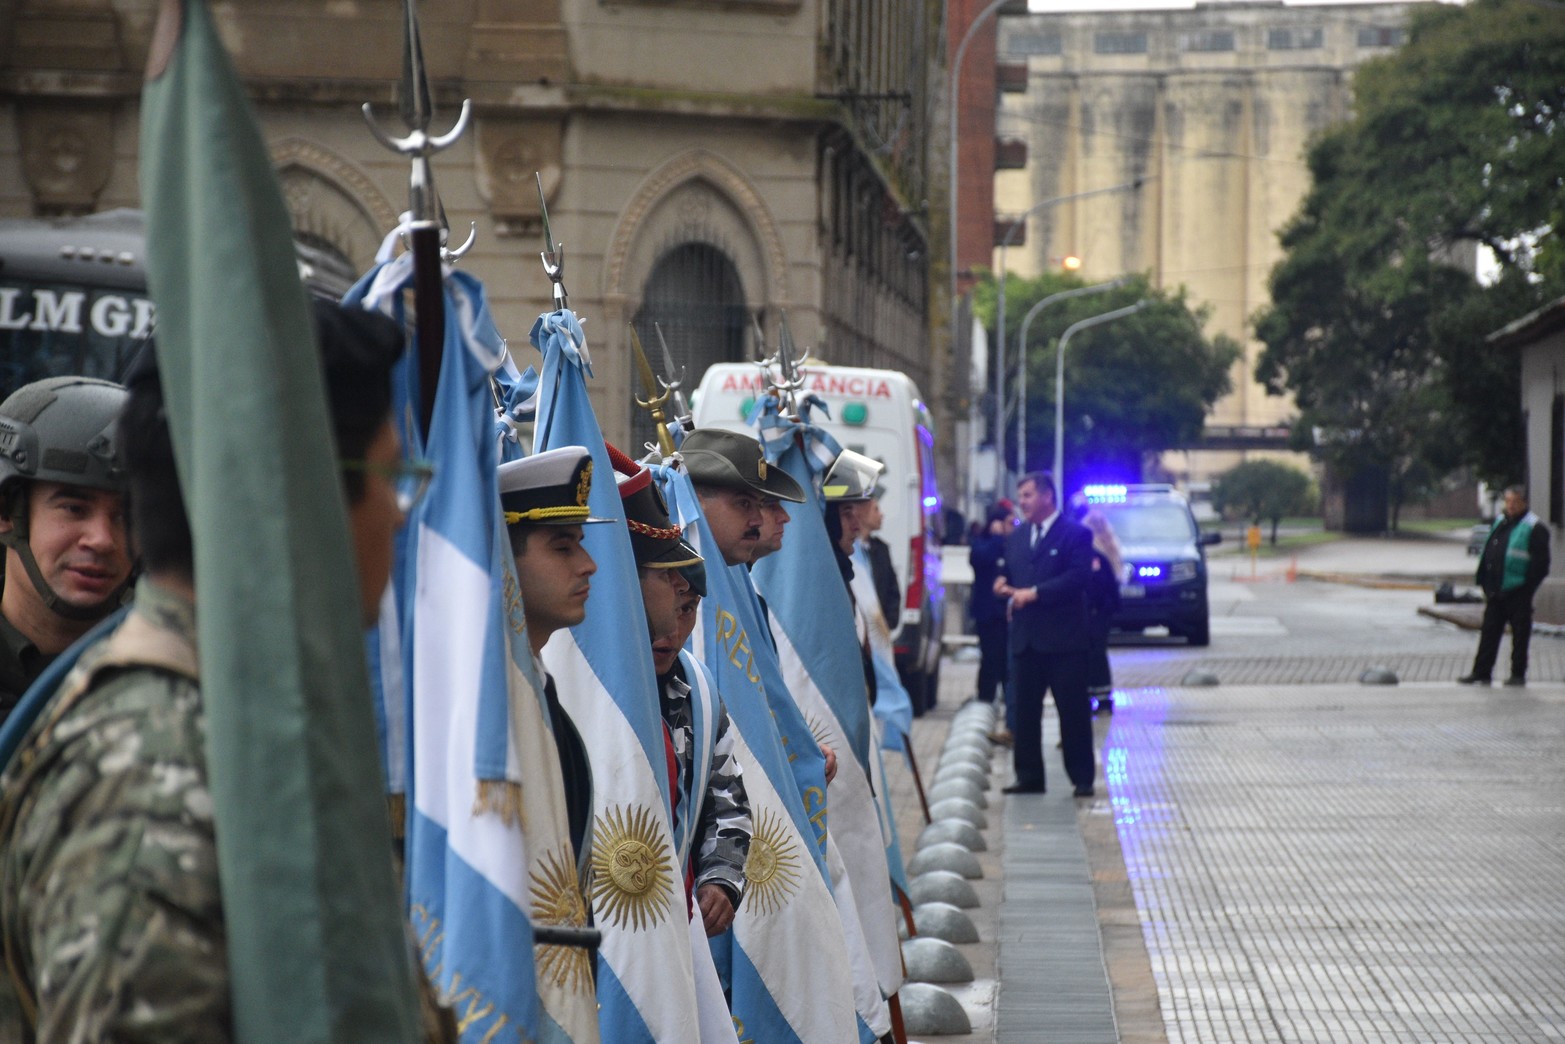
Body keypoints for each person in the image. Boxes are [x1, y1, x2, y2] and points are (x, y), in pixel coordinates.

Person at [0, 301, 455, 1041]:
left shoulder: (227, 723)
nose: (398, 516)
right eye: (391, 475)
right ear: (299, 493)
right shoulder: (154, 775)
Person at [612, 446, 750, 938]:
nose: (672, 626)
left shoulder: (697, 691)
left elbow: (727, 798)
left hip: (674, 924)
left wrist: (721, 877)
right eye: (661, 603)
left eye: (688, 608)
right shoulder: (583, 688)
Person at [498, 444, 613, 860]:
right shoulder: (491, 707)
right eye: (563, 547)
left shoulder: (538, 688)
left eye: (579, 544)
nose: (588, 564)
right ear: (505, 559)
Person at [0, 377, 135, 724]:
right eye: (74, 508)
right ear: (6, 513)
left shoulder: (173, 670)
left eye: (125, 516)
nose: (103, 539)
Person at [993, 471, 1096, 798]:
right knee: (1024, 713)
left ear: (1047, 496)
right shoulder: (1018, 537)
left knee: (1073, 711)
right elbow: (1010, 572)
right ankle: (1028, 776)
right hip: (1026, 639)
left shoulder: (1075, 534)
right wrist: (1002, 585)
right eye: (1020, 496)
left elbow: (1078, 578)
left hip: (1064, 640)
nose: (1021, 502)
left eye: (1027, 495)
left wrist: (1035, 593)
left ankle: (1081, 777)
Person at [1460, 485, 1551, 687]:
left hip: (1518, 591)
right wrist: (1484, 581)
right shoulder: (1501, 522)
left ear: (1524, 503)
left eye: (1515, 502)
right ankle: (1481, 672)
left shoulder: (1535, 527)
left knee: (1520, 636)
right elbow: (1490, 553)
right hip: (1495, 591)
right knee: (1489, 632)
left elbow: (1541, 565)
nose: (1510, 506)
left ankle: (1517, 674)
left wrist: (1526, 589)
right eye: (1508, 501)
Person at [968, 501, 1014, 719]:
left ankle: (1009, 703)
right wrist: (996, 538)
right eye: (1009, 522)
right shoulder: (984, 544)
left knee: (1007, 661)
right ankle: (985, 700)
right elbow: (980, 559)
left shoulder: (1012, 544)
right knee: (990, 659)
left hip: (1007, 614)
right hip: (988, 613)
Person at [1082, 509, 1124, 714]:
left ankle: (1100, 696)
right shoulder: (1106, 548)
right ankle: (1099, 696)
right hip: (1097, 611)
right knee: (1095, 654)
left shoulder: (1095, 553)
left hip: (1096, 611)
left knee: (1095, 654)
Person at [858, 493, 901, 632]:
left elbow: (892, 589)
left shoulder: (881, 550)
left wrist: (888, 622)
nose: (881, 515)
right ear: (862, 513)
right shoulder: (849, 552)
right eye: (876, 509)